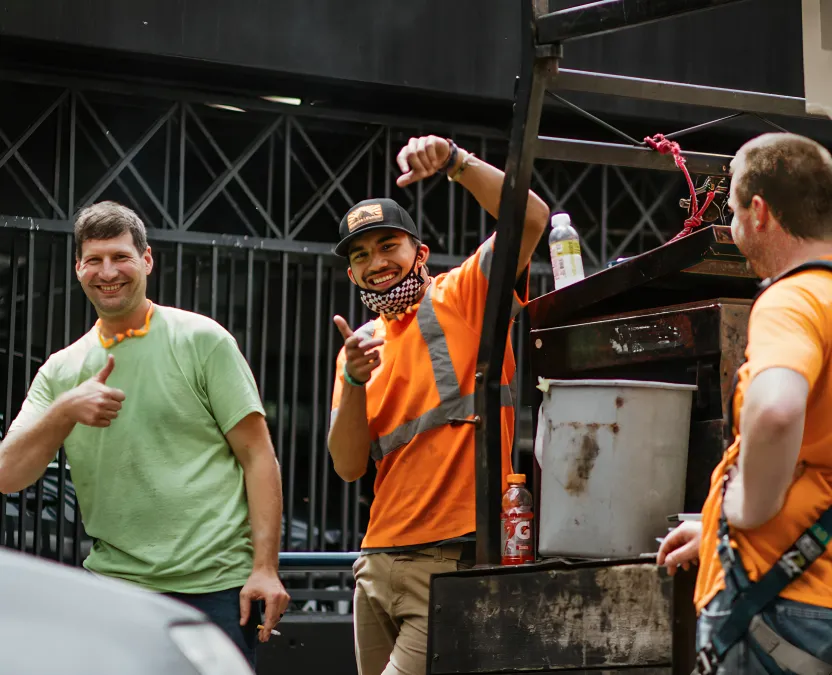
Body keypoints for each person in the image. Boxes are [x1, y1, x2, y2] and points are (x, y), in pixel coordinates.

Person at [0, 202, 290, 667]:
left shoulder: (202, 340)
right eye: (94, 260)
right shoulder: (61, 371)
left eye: (121, 257)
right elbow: (7, 474)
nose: (107, 271)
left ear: (147, 260)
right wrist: (65, 410)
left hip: (216, 588)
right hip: (114, 590)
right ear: (78, 269)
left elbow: (258, 456)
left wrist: (265, 568)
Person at [328, 135, 549, 675]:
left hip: (450, 561)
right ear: (352, 274)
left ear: (419, 252)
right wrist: (354, 381)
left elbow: (530, 218)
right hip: (376, 565)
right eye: (361, 256)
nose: (376, 262)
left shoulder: (463, 294)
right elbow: (348, 465)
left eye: (388, 246)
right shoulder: (358, 347)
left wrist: (456, 162)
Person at [657, 133, 832, 674]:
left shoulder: (791, 299)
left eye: (730, 209)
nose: (730, 224)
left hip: (782, 603)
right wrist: (711, 525)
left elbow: (777, 411)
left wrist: (743, 511)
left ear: (759, 212)